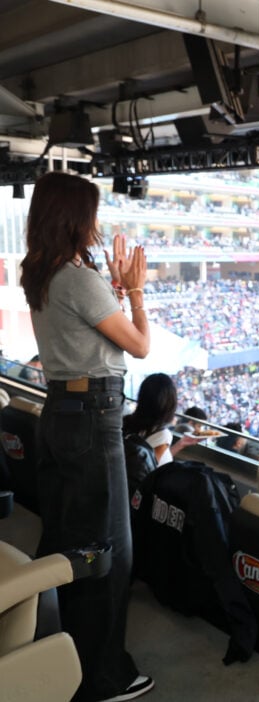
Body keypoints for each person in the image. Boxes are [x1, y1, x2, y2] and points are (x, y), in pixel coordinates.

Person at [20, 171, 153, 701]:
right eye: (92, 214)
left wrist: (113, 290)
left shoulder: (45, 272)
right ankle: (103, 676)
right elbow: (140, 346)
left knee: (71, 539)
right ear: (76, 218)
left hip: (59, 410)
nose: (97, 225)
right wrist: (136, 293)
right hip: (92, 415)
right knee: (109, 549)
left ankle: (66, 648)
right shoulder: (79, 280)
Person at [123, 373, 200, 467]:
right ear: (170, 404)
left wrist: (181, 444)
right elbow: (150, 472)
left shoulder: (127, 421)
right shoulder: (162, 434)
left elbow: (153, 460)